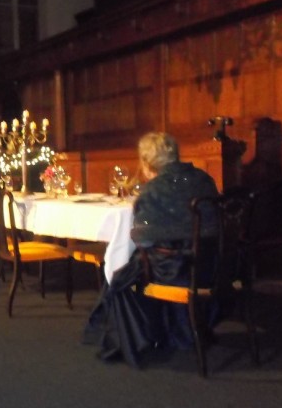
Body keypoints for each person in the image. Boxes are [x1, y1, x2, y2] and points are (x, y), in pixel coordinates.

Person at [84, 132, 220, 367]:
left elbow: (143, 239)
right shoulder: (203, 179)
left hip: (176, 272)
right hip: (215, 265)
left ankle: (139, 340)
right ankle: (181, 331)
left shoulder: (153, 191)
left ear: (146, 163)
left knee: (122, 277)